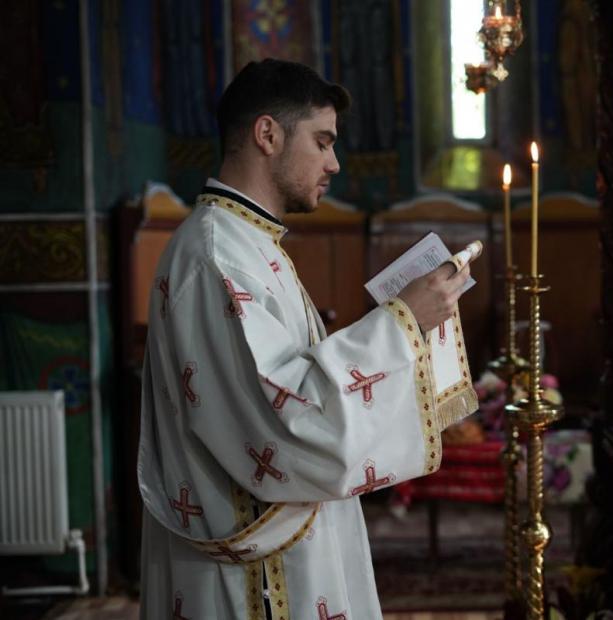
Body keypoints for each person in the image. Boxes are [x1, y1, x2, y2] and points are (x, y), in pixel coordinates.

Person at [137, 59, 476, 619]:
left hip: (291, 542)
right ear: (267, 134)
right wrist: (401, 323)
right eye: (322, 142)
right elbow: (285, 422)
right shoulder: (218, 254)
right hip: (254, 575)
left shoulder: (246, 241)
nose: (335, 163)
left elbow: (278, 381)